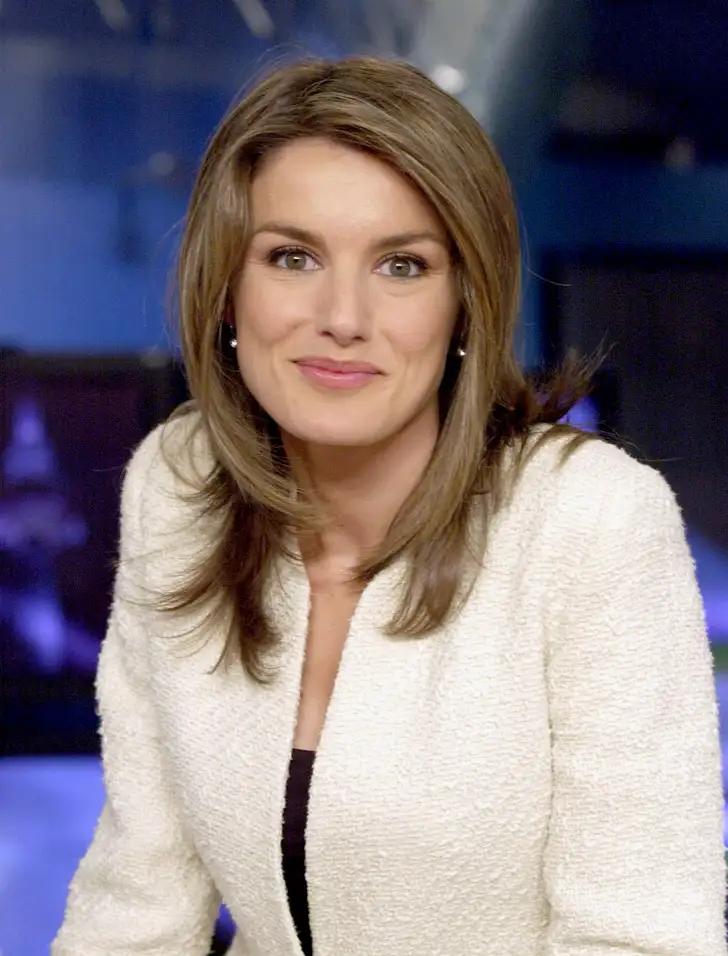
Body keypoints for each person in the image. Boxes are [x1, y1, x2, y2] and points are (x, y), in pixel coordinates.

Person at [52, 56, 726, 956]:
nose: (343, 316)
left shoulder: (592, 520)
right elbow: (138, 895)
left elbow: (641, 939)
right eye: (292, 257)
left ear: (464, 306)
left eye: (402, 265)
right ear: (227, 291)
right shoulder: (178, 484)